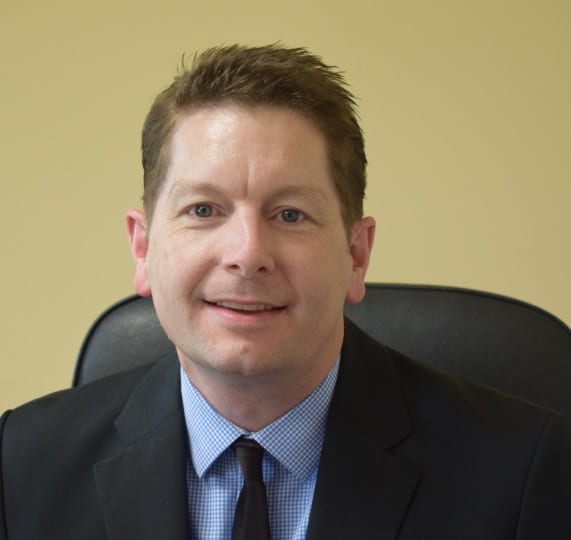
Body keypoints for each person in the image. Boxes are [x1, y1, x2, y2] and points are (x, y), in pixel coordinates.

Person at [1, 44, 570, 540]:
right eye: (204, 210)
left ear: (356, 254)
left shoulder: (524, 473)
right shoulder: (20, 466)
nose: (247, 253)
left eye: (290, 214)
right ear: (143, 247)